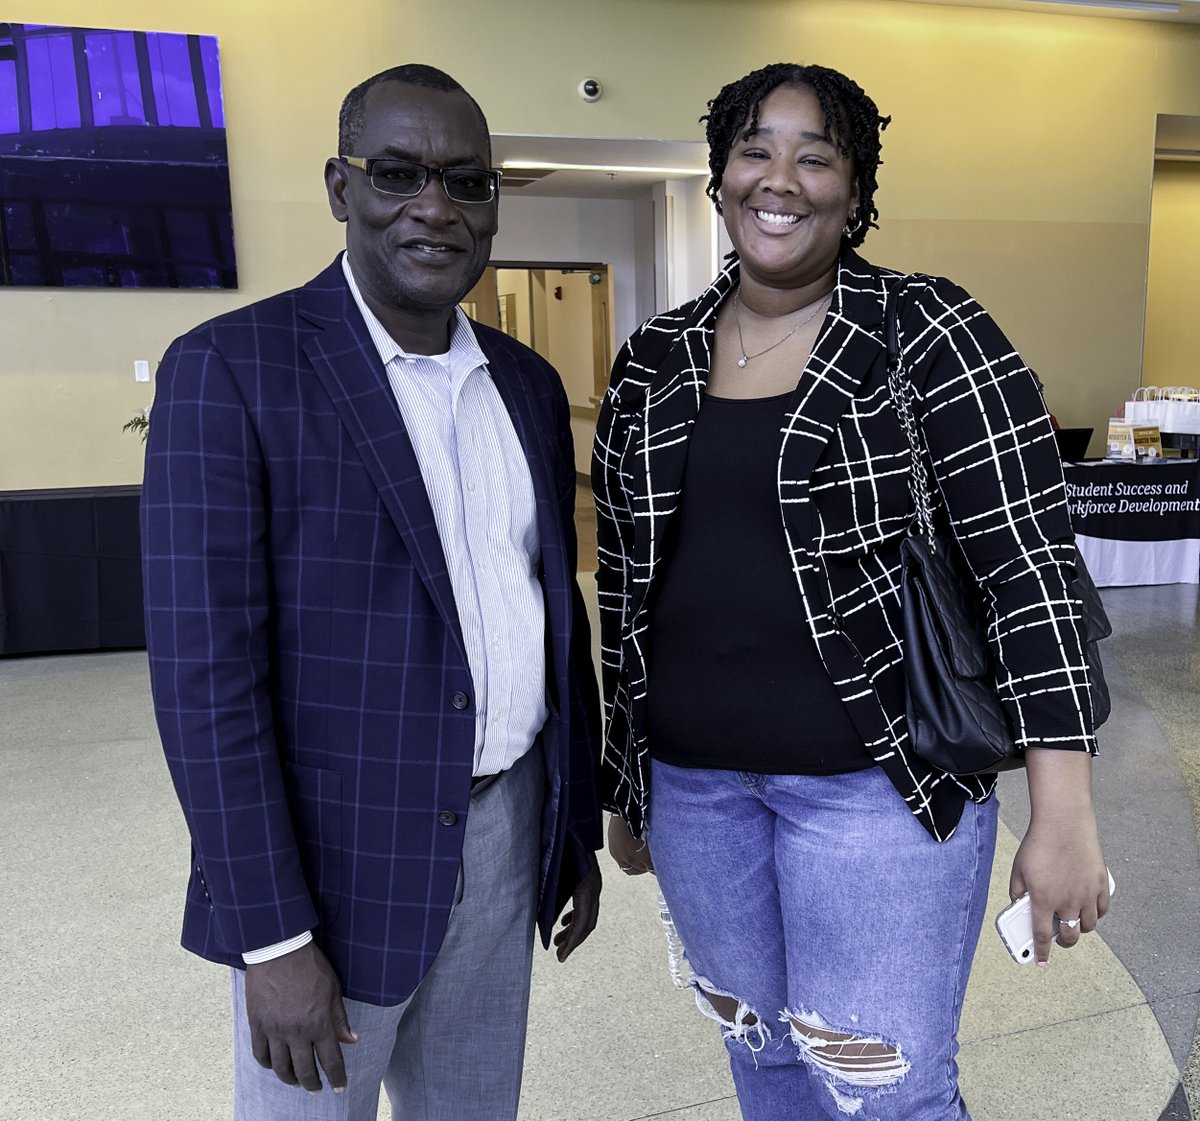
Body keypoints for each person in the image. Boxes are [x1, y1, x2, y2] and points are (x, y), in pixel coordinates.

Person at [593, 62, 1108, 1120]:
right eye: (756, 150)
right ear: (720, 174)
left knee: (885, 1092)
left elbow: (1032, 570)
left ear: (855, 188)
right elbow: (627, 596)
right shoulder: (655, 358)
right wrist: (628, 785)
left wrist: (1065, 813)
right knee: (765, 1063)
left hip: (877, 791)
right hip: (696, 793)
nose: (780, 178)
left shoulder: (931, 332)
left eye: (815, 155)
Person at [142, 63, 602, 1121]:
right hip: (329, 870)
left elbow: (549, 619)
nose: (434, 208)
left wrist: (567, 826)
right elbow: (206, 682)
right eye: (397, 173)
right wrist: (271, 935)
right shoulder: (232, 370)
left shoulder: (524, 384)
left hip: (503, 830)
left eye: (467, 182)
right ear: (340, 188)